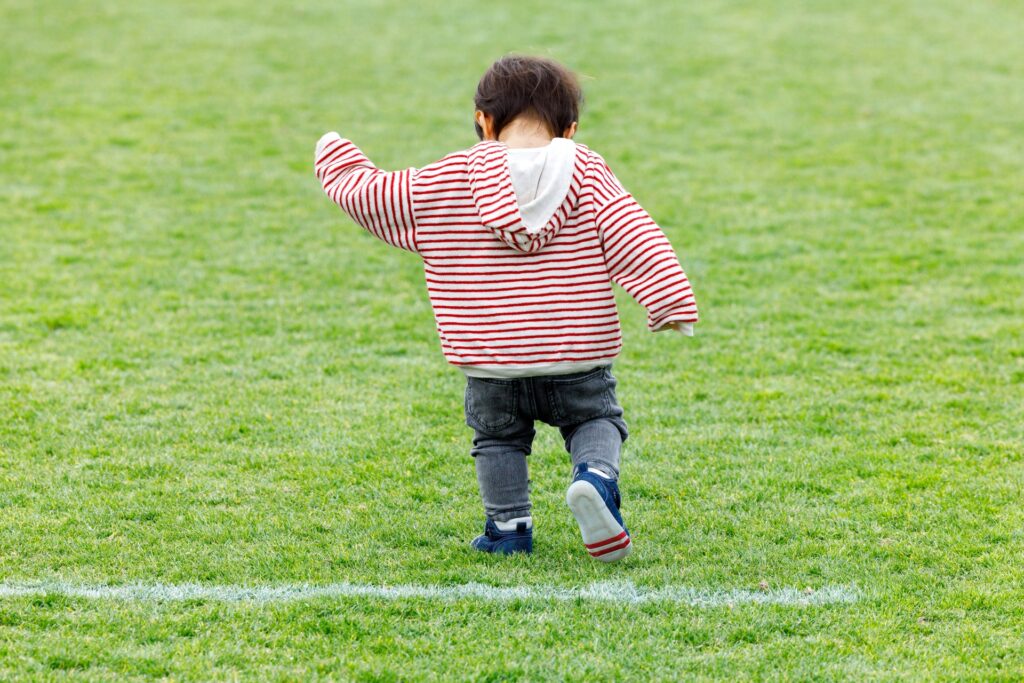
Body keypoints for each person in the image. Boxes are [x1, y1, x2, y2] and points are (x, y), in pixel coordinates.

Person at [314, 55, 697, 562]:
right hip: (576, 353)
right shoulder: (586, 170)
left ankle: (508, 526)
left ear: (484, 122)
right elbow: (633, 232)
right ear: (571, 129)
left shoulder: (450, 177)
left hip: (492, 355)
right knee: (596, 420)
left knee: (497, 440)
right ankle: (596, 478)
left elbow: (381, 199)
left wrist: (337, 163)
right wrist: (667, 298)